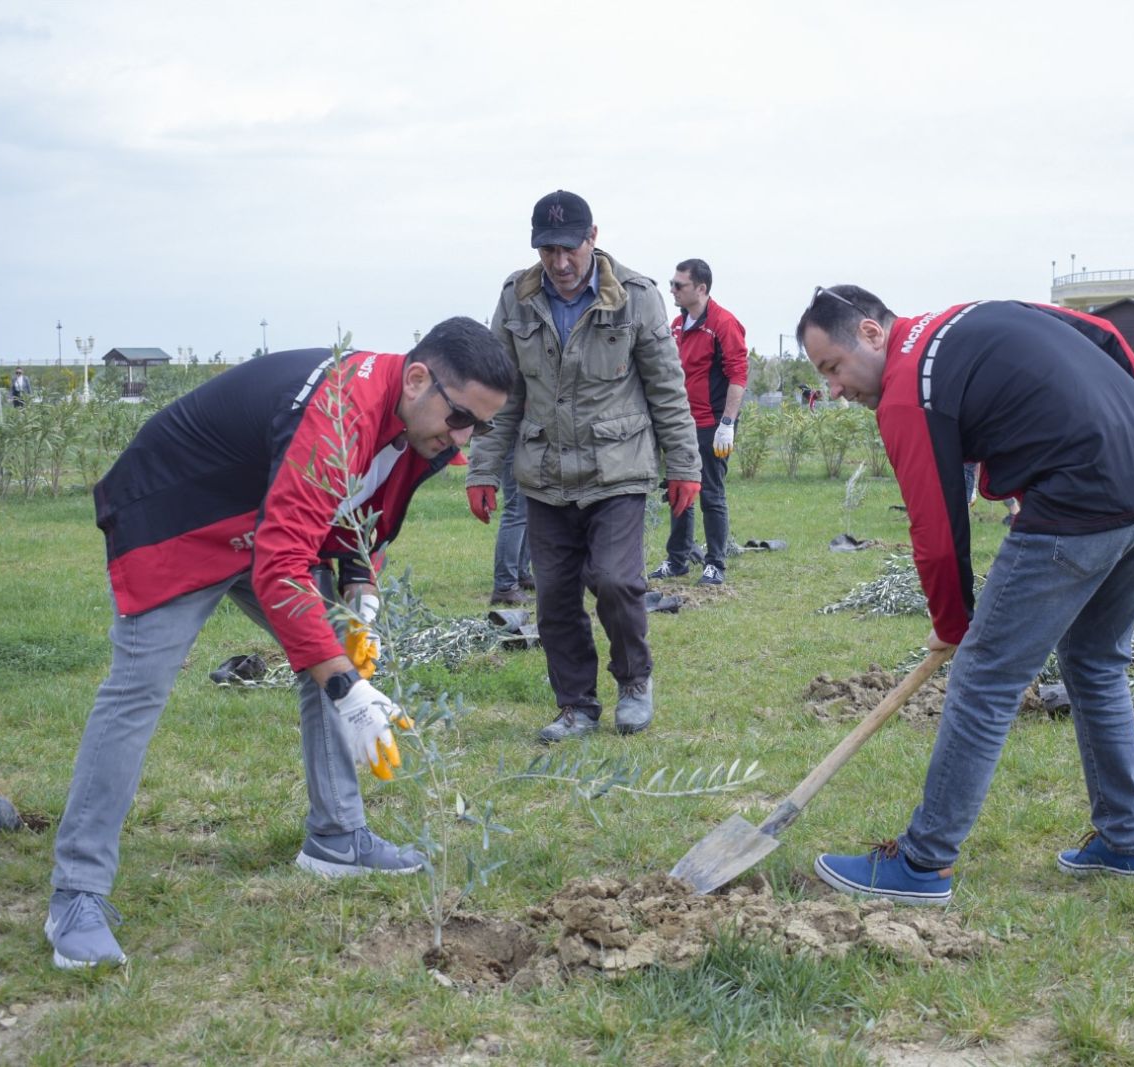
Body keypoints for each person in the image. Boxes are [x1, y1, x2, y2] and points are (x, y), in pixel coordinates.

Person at [45, 320, 511, 969]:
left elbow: (362, 506)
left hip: (268, 518)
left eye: (480, 428)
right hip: (181, 513)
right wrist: (346, 689)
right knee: (138, 689)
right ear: (416, 379)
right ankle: (76, 894)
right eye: (460, 417)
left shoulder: (419, 424)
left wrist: (361, 588)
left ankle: (337, 836)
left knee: (333, 642)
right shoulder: (341, 414)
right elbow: (281, 566)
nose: (462, 440)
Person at [799, 287, 1134, 906]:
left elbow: (937, 531)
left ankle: (923, 863)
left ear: (870, 333)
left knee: (984, 678)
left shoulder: (906, 389)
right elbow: (1105, 336)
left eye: (833, 368)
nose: (836, 390)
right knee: (1094, 661)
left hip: (1082, 498)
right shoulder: (969, 316)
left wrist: (955, 624)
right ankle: (1125, 842)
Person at [466, 190, 700, 743]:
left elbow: (667, 388)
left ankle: (634, 681)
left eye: (569, 248)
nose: (560, 262)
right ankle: (576, 705)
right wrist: (482, 469)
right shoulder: (516, 298)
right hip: (544, 473)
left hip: (616, 468)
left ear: (592, 237)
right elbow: (502, 393)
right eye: (547, 250)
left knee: (616, 581)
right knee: (554, 597)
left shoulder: (637, 297)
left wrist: (684, 464)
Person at [647, 258, 748, 586]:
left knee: (711, 493)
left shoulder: (723, 323)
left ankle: (715, 563)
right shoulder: (677, 325)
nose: (672, 290)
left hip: (712, 424)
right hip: (681, 423)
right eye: (671, 284)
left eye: (679, 285)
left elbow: (738, 376)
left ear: (701, 288)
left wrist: (727, 423)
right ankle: (678, 559)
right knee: (679, 488)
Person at [488, 442, 534, 606]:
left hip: (529, 446)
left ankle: (521, 574)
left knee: (528, 511)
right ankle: (505, 586)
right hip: (516, 445)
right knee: (516, 510)